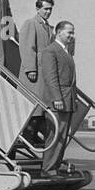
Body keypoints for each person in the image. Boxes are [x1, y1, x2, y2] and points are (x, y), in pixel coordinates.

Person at [36, 20, 77, 177]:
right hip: (58, 101)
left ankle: (54, 167)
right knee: (55, 135)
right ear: (59, 32)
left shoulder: (66, 52)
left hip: (68, 100)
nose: (72, 36)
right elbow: (51, 78)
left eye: (73, 32)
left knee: (62, 136)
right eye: (69, 32)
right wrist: (57, 98)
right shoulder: (51, 51)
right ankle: (48, 168)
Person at [18, 0, 55, 87]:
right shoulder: (31, 23)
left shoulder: (48, 27)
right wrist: (30, 69)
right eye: (46, 9)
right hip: (35, 70)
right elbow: (27, 47)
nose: (49, 12)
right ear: (37, 9)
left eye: (50, 9)